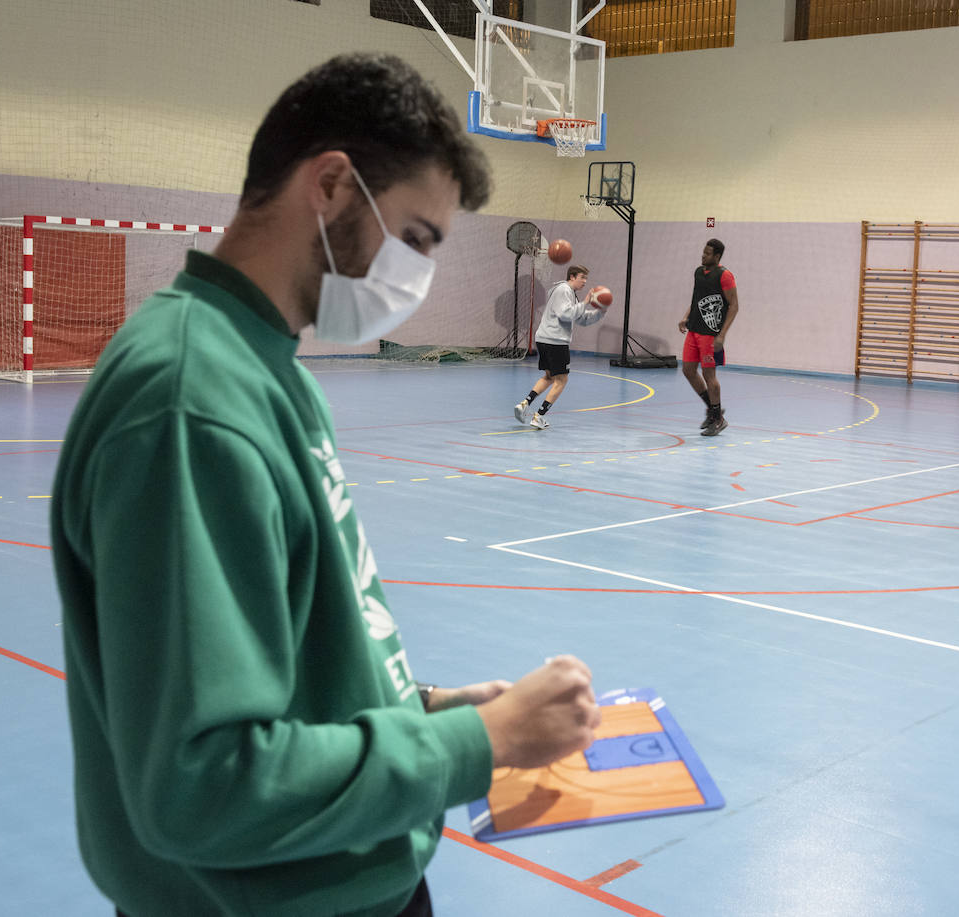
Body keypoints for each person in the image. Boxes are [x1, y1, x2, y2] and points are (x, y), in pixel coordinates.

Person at [49, 53, 600, 917]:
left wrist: (426, 707)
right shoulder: (191, 401)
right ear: (334, 186)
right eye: (416, 238)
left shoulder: (269, 369)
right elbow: (202, 786)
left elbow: (291, 651)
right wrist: (475, 742)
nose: (416, 274)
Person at [513, 264, 606, 429]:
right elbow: (565, 315)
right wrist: (585, 302)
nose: (585, 282)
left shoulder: (569, 294)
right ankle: (538, 416)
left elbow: (581, 318)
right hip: (555, 340)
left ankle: (524, 405)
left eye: (586, 278)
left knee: (549, 377)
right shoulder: (564, 290)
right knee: (562, 380)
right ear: (572, 277)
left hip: (545, 338)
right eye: (582, 278)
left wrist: (600, 312)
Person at [677, 238, 738, 436]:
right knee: (688, 370)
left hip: (710, 334)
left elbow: (734, 306)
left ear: (717, 256)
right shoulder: (698, 272)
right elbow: (696, 299)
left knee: (709, 375)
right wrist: (686, 317)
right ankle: (715, 412)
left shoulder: (725, 276)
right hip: (694, 330)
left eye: (707, 253)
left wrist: (722, 335)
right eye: (703, 252)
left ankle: (717, 419)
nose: (703, 255)